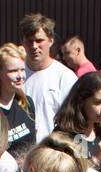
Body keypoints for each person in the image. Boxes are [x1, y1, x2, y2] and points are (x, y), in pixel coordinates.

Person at [20, 13, 77, 143]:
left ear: (51, 41)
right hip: (18, 152)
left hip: (52, 150)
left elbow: (75, 122)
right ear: (22, 42)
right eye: (29, 41)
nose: (34, 46)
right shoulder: (14, 74)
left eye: (39, 40)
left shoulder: (66, 78)